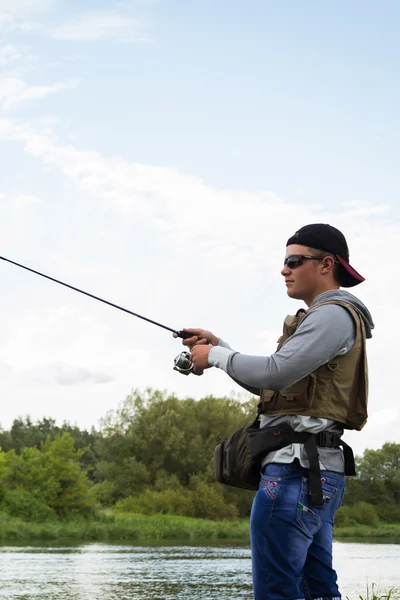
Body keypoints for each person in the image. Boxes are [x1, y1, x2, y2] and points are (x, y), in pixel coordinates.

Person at [175, 223, 374, 600]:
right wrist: (220, 346)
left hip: (295, 473)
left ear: (326, 264)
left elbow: (275, 371)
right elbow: (277, 386)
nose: (284, 269)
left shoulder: (331, 315)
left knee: (276, 592)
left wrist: (216, 357)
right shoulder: (324, 317)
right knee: (317, 590)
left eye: (294, 261)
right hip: (313, 471)